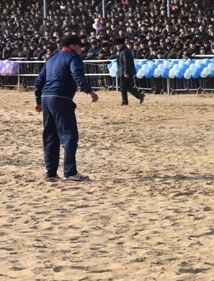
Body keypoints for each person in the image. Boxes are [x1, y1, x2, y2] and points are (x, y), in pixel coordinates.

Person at [33, 35, 99, 182]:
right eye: (80, 46)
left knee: (50, 136)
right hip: (61, 98)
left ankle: (51, 172)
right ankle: (70, 172)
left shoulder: (50, 59)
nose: (81, 49)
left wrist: (38, 100)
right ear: (72, 46)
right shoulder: (73, 57)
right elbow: (77, 74)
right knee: (69, 135)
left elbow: (39, 81)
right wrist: (88, 91)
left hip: (45, 98)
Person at [115, 37, 145, 106]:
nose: (117, 46)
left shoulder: (125, 52)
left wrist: (126, 72)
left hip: (125, 72)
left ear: (122, 44)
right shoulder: (122, 51)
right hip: (123, 71)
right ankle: (139, 95)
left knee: (123, 87)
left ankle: (125, 101)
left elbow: (126, 63)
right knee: (127, 86)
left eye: (118, 45)